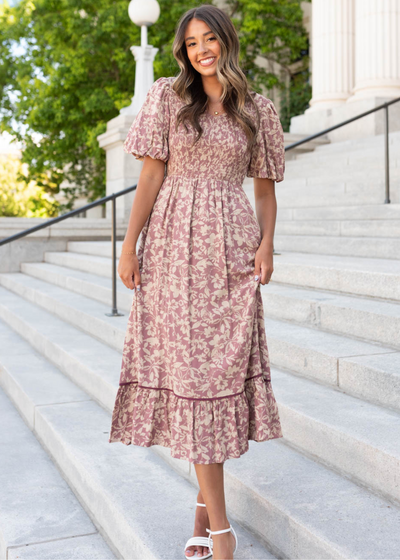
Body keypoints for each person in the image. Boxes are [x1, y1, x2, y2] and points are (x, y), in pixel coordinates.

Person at [108, 4, 285, 559]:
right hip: (171, 249)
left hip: (230, 252)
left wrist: (266, 243)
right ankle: (223, 530)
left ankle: (202, 518)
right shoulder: (167, 96)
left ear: (226, 41)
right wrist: (129, 243)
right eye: (191, 43)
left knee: (215, 381)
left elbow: (264, 189)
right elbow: (151, 172)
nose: (201, 49)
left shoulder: (258, 110)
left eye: (210, 39)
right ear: (182, 51)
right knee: (191, 379)